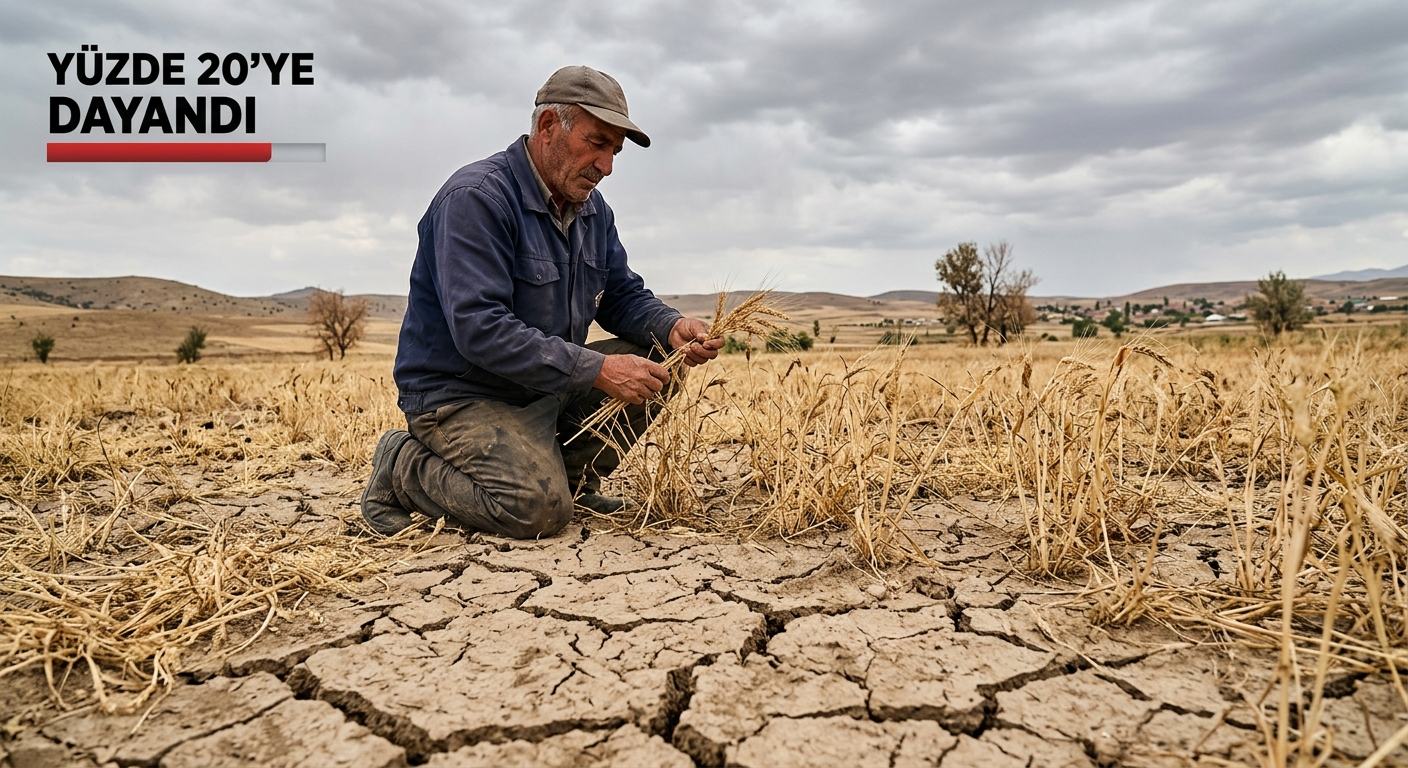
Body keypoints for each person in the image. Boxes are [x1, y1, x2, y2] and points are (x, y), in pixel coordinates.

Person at [361, 65, 723, 539]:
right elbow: (480, 328)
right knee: (534, 511)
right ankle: (402, 466)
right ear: (549, 126)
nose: (607, 166)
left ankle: (570, 481)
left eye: (614, 151)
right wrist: (597, 369)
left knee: (661, 362)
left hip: (543, 384)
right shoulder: (476, 199)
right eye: (597, 143)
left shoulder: (593, 210)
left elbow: (619, 295)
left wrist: (671, 326)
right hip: (463, 396)